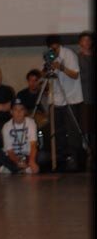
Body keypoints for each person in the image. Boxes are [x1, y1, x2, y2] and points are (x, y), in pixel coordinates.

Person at [43, 35, 84, 170]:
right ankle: (60, 159)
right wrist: (47, 68)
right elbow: (45, 76)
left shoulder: (69, 54)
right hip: (56, 99)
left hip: (71, 98)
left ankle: (75, 160)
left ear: (59, 45)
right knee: (57, 131)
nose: (53, 50)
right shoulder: (49, 55)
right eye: (51, 48)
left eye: (55, 48)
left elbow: (75, 74)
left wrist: (61, 67)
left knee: (72, 132)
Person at [0, 99, 46, 174]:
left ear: (25, 112)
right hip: (13, 157)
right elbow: (10, 151)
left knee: (42, 156)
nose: (18, 112)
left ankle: (12, 169)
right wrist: (18, 162)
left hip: (28, 155)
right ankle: (23, 169)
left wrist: (32, 161)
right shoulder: (6, 126)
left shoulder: (31, 122)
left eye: (21, 109)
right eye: (15, 110)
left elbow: (33, 145)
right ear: (11, 112)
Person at [77, 31, 94, 163]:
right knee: (85, 127)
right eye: (84, 40)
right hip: (84, 97)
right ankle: (87, 153)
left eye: (89, 40)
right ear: (80, 43)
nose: (87, 42)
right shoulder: (77, 58)